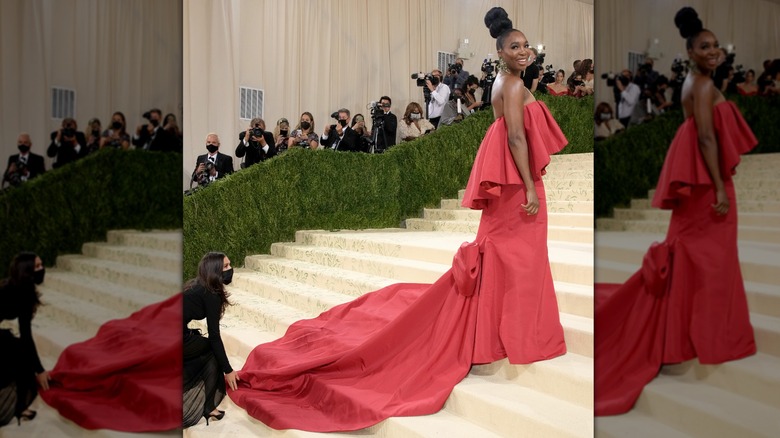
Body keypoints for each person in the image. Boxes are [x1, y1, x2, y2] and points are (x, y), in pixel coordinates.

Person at [227, 7, 568, 432]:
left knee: (506, 262)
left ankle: (498, 333)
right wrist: (532, 189)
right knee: (522, 261)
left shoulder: (503, 82)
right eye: (514, 47)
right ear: (499, 52)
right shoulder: (513, 84)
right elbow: (515, 136)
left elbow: (505, 133)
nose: (523, 51)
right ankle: (519, 335)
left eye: (525, 45)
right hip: (517, 188)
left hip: (506, 185)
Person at [594, 7, 758, 416]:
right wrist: (720, 187)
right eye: (705, 46)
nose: (714, 51)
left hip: (700, 187)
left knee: (697, 262)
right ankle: (710, 337)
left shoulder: (695, 82)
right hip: (709, 188)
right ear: (689, 51)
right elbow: (705, 137)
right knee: (713, 263)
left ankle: (688, 335)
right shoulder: (700, 86)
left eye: (716, 45)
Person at [183, 252, 239, 428]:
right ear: (214, 270)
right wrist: (228, 370)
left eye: (229, 265)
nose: (230, 269)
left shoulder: (198, 285)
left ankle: (208, 406)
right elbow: (214, 336)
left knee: (205, 347)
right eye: (225, 267)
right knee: (211, 350)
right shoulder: (211, 294)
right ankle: (208, 407)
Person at [0, 252, 49, 427]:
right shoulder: (8, 290)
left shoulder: (23, 291)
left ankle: (20, 407)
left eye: (41, 264)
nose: (42, 269)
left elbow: (26, 335)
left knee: (22, 353)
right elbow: (26, 338)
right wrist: (40, 370)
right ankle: (18, 407)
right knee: (20, 353)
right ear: (26, 271)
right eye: (37, 266)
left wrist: (38, 369)